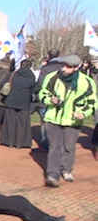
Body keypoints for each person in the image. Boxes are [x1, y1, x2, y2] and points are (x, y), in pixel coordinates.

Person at [39, 55, 97, 188]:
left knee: (69, 147)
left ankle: (67, 169)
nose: (64, 69)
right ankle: (52, 174)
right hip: (53, 118)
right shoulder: (53, 77)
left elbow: (92, 102)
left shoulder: (86, 81)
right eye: (63, 65)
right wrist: (50, 100)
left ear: (77, 68)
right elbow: (43, 93)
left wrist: (83, 113)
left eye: (68, 67)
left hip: (73, 120)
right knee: (54, 147)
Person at [0, 60, 36, 148]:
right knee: (23, 123)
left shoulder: (14, 74)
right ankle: (21, 143)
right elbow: (33, 89)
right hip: (24, 101)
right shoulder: (32, 76)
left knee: (10, 122)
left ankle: (9, 142)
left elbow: (3, 83)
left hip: (12, 99)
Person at [34, 49, 63, 150]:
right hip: (62, 98)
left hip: (47, 97)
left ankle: (45, 142)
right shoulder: (65, 67)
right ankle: (58, 143)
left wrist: (36, 92)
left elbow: (40, 83)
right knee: (60, 121)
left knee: (44, 121)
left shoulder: (46, 68)